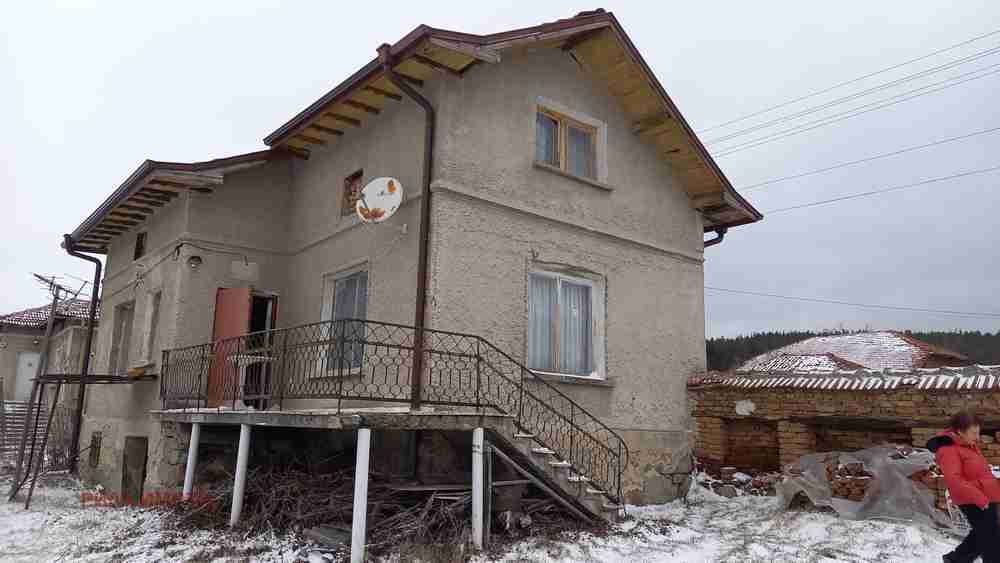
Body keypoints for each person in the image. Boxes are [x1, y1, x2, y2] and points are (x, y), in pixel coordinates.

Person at [927, 410, 1000, 563]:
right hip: (972, 500)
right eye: (974, 433)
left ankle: (956, 559)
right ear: (960, 431)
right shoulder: (948, 450)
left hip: (985, 495)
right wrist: (980, 499)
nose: (977, 437)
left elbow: (978, 473)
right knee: (991, 538)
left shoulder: (968, 445)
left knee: (984, 533)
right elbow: (954, 480)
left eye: (978, 432)